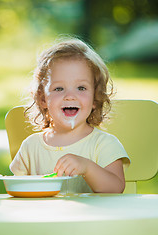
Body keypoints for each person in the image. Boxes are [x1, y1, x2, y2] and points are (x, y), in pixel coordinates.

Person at [10, 38, 130, 193]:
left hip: (92, 217)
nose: (70, 96)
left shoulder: (104, 144)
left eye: (81, 88)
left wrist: (87, 168)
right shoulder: (31, 147)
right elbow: (17, 190)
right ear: (42, 99)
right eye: (59, 88)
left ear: (96, 98)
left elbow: (116, 188)